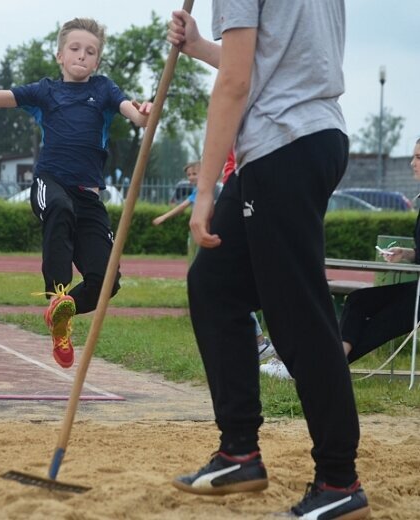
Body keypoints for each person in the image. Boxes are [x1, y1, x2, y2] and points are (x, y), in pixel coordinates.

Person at [167, 4, 369, 519]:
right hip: (305, 136)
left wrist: (206, 189)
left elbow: (236, 82)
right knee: (215, 285)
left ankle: (339, 481)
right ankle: (239, 451)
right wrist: (197, 46)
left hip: (284, 142)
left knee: (297, 314)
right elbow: (269, 60)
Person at [0, 17, 152, 368]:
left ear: (97, 61)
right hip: (50, 182)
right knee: (60, 208)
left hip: (89, 196)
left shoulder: (105, 89)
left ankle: (61, 315)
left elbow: (135, 114)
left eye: (91, 52)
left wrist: (145, 111)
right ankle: (57, 293)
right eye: (75, 49)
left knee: (106, 282)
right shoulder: (45, 91)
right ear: (60, 56)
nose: (82, 56)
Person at [154, 158, 274, 361]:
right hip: (208, 237)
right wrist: (164, 217)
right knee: (216, 286)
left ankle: (259, 342)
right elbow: (183, 205)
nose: (191, 177)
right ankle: (253, 342)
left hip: (220, 237)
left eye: (195, 173)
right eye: (189, 174)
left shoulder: (219, 189)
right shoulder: (204, 191)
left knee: (225, 286)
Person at [340, 138, 420, 364]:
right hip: (417, 290)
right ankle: (325, 366)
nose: (412, 163)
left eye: (418, 157)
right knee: (357, 301)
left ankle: (320, 368)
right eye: (413, 156)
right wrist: (405, 253)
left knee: (377, 326)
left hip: (418, 295)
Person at [152, 161, 200, 226]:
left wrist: (164, 217)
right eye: (189, 175)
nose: (191, 177)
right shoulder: (196, 189)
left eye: (194, 174)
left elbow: (183, 206)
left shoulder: (201, 190)